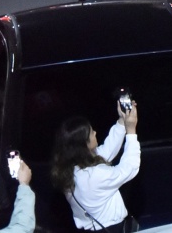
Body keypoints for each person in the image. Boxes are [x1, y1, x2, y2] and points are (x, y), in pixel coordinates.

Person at [50, 97, 141, 232]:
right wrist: (131, 131)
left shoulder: (70, 170)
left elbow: (107, 150)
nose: (95, 133)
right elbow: (129, 168)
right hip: (112, 229)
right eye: (91, 132)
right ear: (84, 143)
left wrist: (122, 121)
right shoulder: (94, 175)